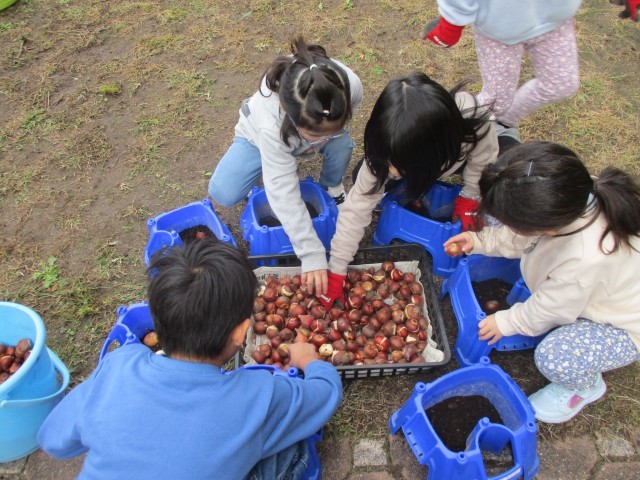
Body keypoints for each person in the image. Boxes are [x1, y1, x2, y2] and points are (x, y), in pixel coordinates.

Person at [38, 239, 343, 479]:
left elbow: (53, 439)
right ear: (241, 333)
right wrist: (309, 361)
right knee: (291, 441)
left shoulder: (121, 365)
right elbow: (326, 394)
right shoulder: (256, 396)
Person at [443, 141, 640, 423]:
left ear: (545, 227)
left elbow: (550, 309)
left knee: (555, 356)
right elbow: (517, 235)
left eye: (514, 222)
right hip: (586, 290)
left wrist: (508, 321)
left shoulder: (584, 258)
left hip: (622, 325)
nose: (509, 225)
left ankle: (584, 387)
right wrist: (480, 241)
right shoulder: (566, 195)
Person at [318, 71, 499, 309]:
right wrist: (337, 268)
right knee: (365, 179)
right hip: (426, 162)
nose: (392, 170)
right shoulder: (386, 156)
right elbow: (356, 208)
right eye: (388, 162)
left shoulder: (473, 122)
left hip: (456, 158)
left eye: (399, 166)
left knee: (503, 175)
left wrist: (472, 195)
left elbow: (484, 159)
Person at [208, 37, 363, 296]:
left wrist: (322, 137)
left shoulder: (350, 85)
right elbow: (284, 191)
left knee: (342, 144)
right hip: (259, 139)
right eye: (315, 134)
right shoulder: (270, 122)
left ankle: (332, 186)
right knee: (224, 192)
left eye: (331, 129)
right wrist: (311, 254)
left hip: (302, 134)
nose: (323, 137)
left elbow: (333, 125)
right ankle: (266, 167)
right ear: (288, 112)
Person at [422, 1, 582, 131]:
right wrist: (451, 23)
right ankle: (449, 130)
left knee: (561, 83)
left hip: (554, 17)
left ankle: (501, 123)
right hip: (499, 27)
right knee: (496, 102)